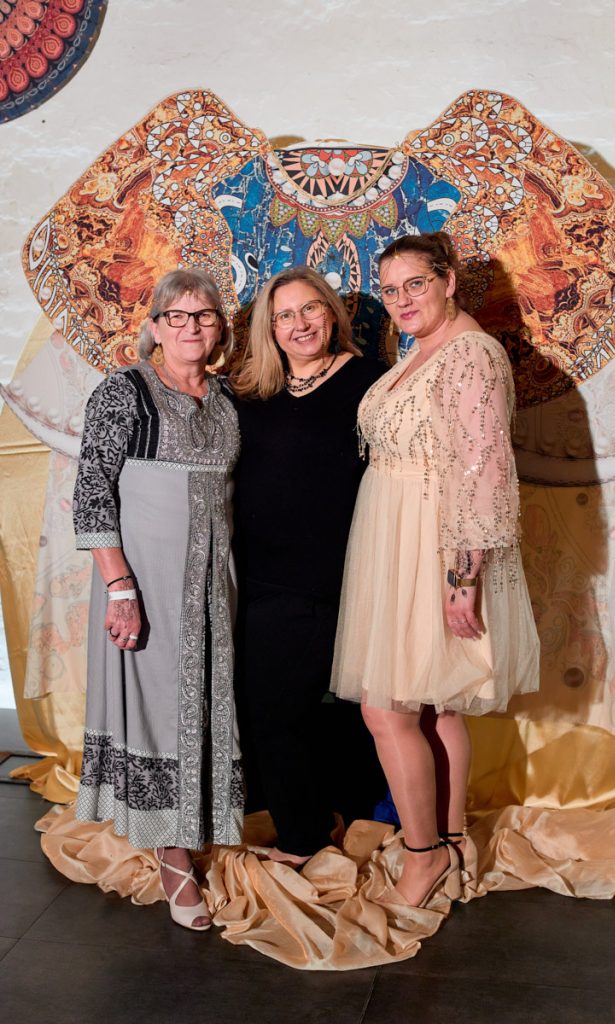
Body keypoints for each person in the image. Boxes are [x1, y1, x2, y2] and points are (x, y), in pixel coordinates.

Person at [331, 232, 540, 907]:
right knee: (432, 704)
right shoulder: (422, 351)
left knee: (388, 706)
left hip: (432, 545)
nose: (400, 301)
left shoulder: (470, 354)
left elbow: (484, 472)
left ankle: (422, 858)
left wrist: (462, 579)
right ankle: (451, 844)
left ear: (448, 282)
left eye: (414, 285)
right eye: (390, 290)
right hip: (396, 539)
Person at [73, 267, 243, 931]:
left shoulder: (227, 399)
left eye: (204, 316)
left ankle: (198, 825)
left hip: (214, 584)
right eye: (177, 316)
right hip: (144, 580)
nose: (191, 327)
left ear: (219, 328)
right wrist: (120, 587)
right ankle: (172, 854)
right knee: (158, 706)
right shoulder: (124, 391)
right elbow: (93, 490)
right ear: (154, 328)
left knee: (203, 703)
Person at [229, 266, 385, 867]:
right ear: (270, 328)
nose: (300, 324)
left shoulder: (371, 382)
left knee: (287, 710)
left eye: (311, 308)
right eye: (285, 315)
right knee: (264, 708)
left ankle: (305, 840)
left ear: (332, 313)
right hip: (255, 576)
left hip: (325, 577)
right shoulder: (250, 390)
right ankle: (310, 821)